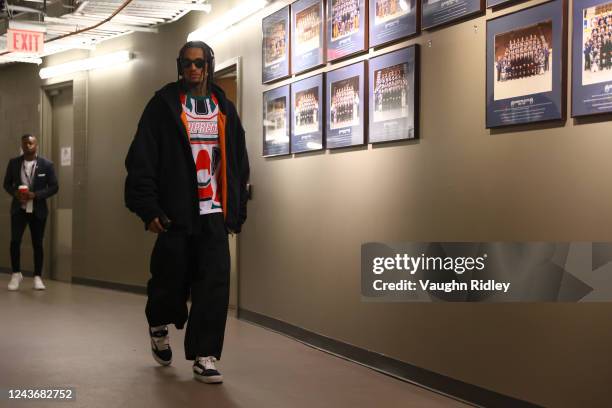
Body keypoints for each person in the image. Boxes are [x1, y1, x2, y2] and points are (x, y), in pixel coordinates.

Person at [124, 41, 250, 384]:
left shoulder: (224, 108)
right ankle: (158, 324)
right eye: (186, 63)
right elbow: (141, 160)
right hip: (176, 213)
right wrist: (148, 208)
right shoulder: (163, 106)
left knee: (214, 284)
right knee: (169, 280)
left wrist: (235, 209)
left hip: (214, 212)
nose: (192, 68)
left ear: (208, 65)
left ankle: (205, 355)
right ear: (179, 66)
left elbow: (238, 161)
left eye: (198, 62)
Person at [3, 134, 58, 291]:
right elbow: (6, 184)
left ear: (36, 145)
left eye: (31, 143)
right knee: (14, 242)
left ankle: (37, 277)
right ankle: (15, 274)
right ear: (21, 145)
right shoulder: (13, 163)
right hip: (18, 209)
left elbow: (54, 186)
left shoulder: (47, 164)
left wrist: (36, 195)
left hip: (38, 210)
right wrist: (15, 194)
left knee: (38, 244)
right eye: (25, 143)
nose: (28, 146)